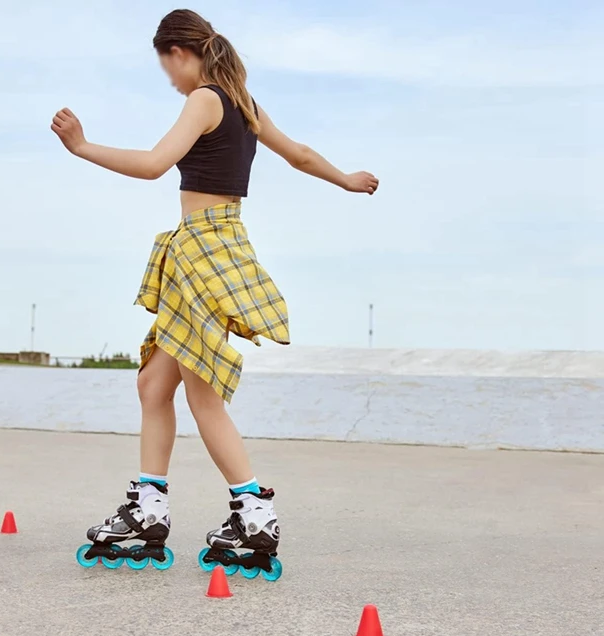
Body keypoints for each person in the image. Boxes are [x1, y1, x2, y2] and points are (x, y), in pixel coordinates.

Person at [52, 9, 378, 580]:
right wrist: (344, 178)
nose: (170, 80)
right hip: (214, 246)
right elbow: (297, 153)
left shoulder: (205, 98)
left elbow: (155, 165)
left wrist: (82, 148)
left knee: (202, 396)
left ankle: (254, 516)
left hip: (202, 251)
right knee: (154, 382)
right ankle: (149, 508)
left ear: (180, 52)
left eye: (167, 67)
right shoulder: (244, 102)